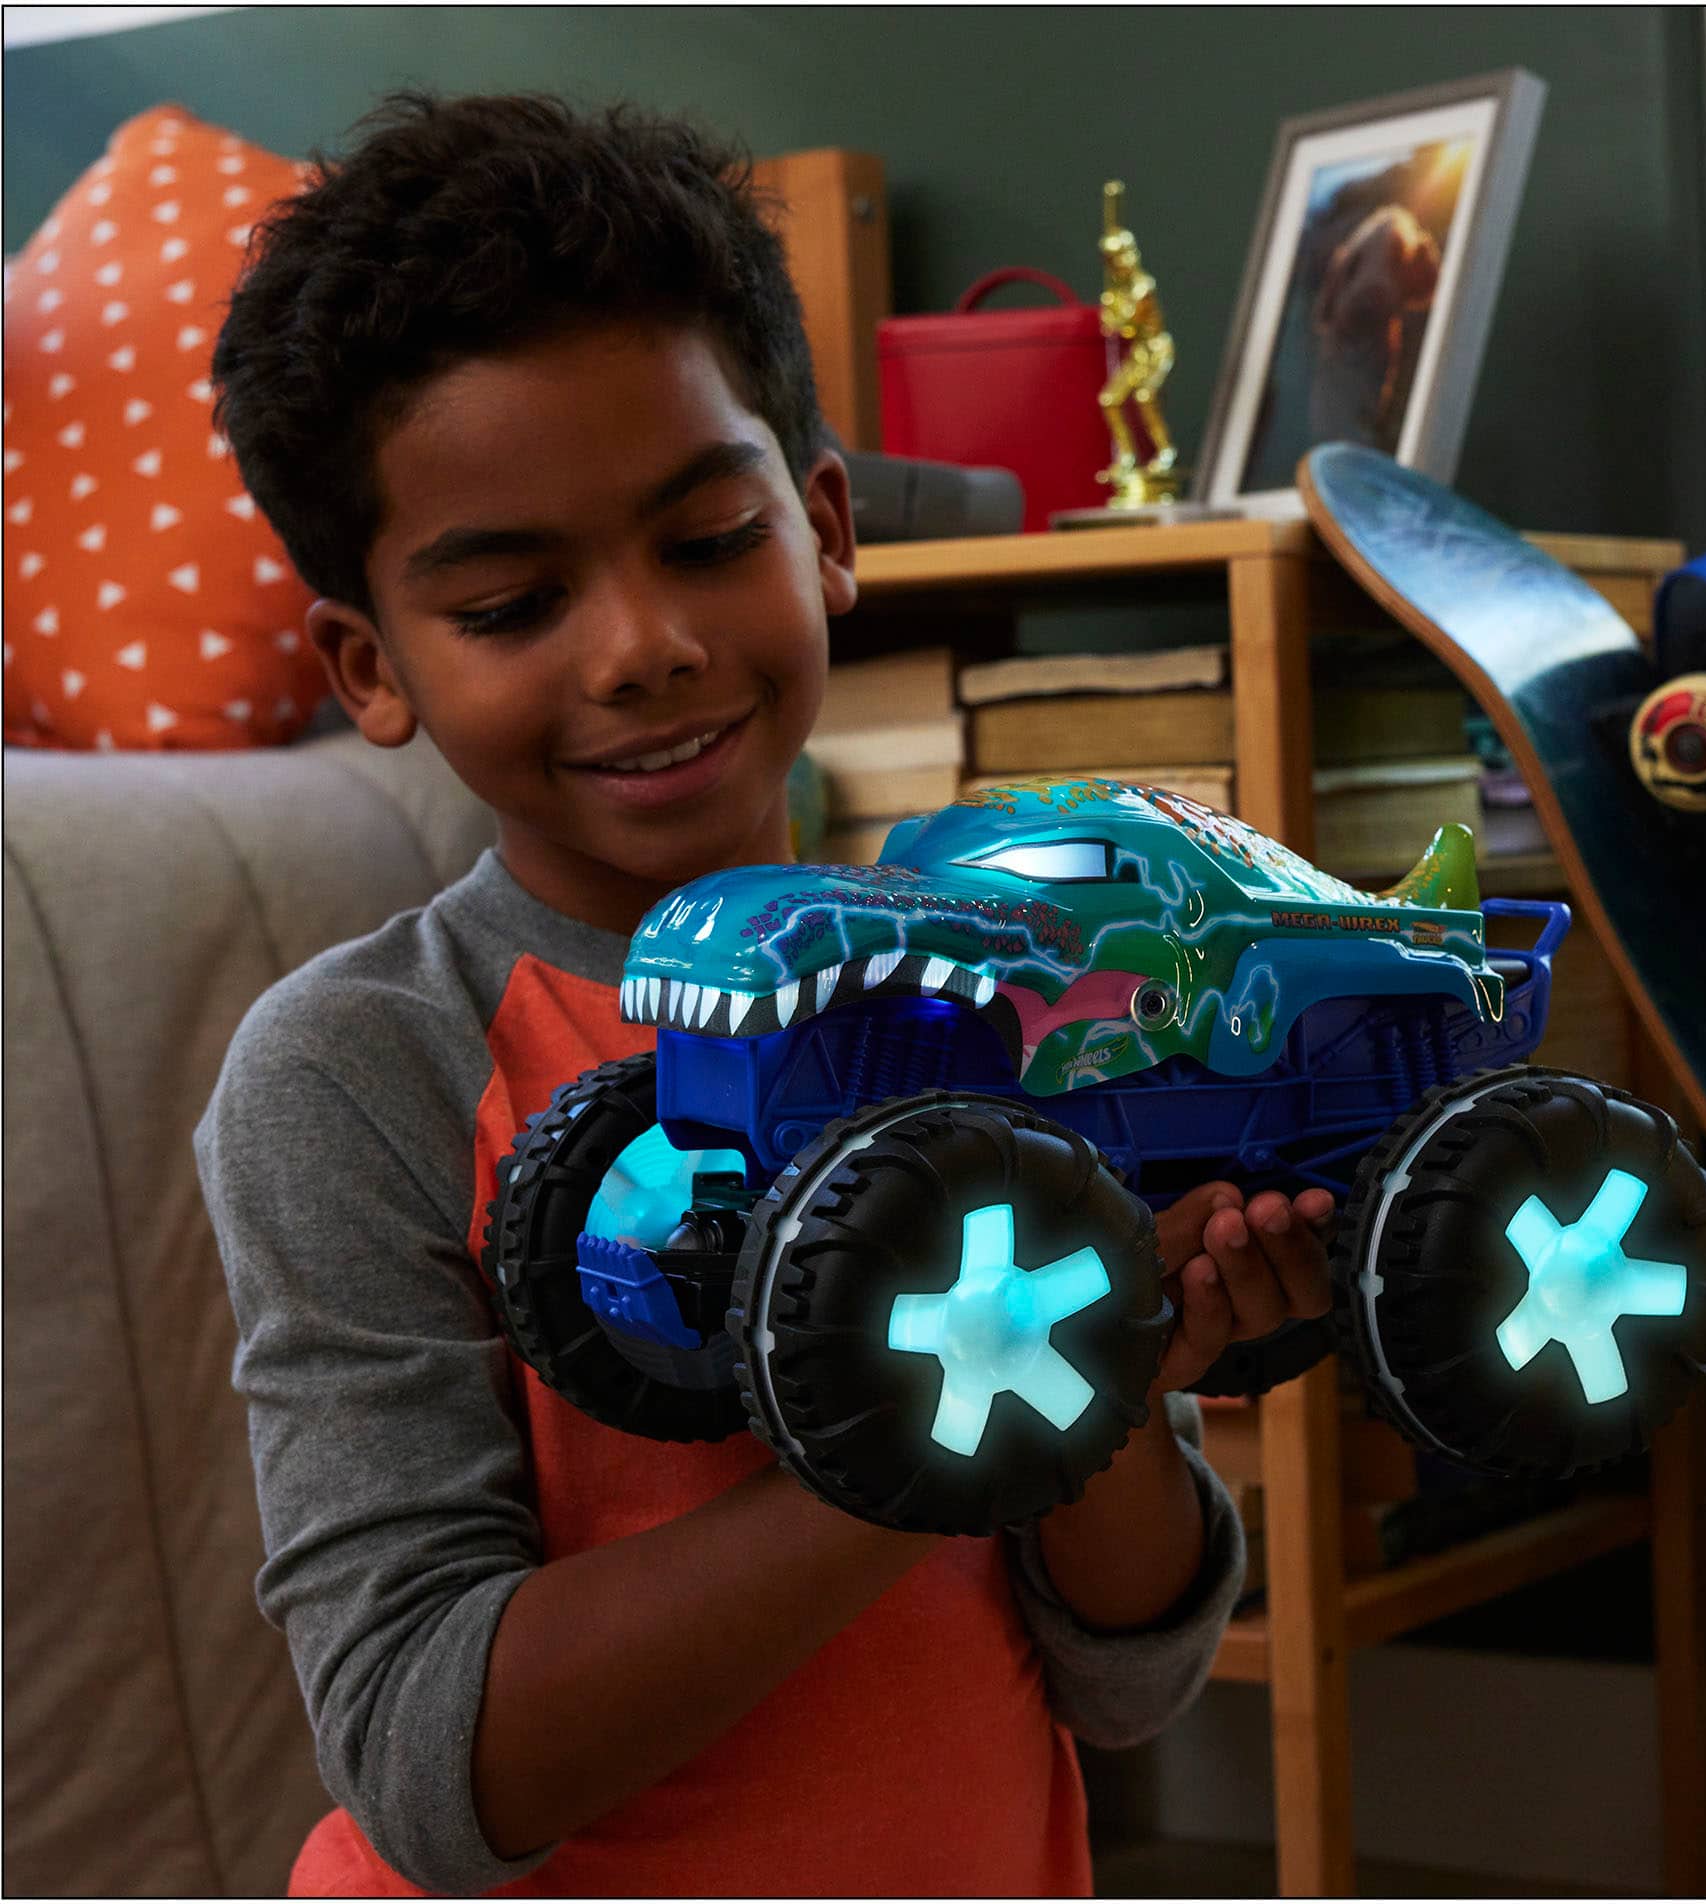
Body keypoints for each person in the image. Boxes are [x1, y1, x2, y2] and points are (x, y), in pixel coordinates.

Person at [196, 91, 1336, 1898]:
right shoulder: (358, 1070)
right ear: (371, 665)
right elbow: (429, 1762)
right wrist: (940, 1418)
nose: (641, 645)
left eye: (710, 538)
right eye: (509, 603)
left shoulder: (1012, 982)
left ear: (824, 529)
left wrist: (1113, 1363)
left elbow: (1134, 1670)